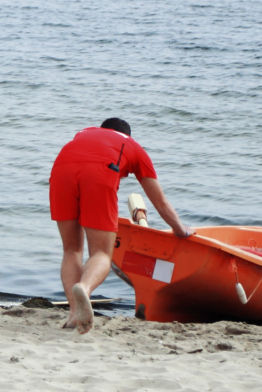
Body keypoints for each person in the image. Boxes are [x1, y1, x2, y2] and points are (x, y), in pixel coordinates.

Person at [49, 118, 194, 334]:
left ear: (103, 129)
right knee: (101, 253)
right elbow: (160, 202)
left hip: (61, 171)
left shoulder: (84, 133)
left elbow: (80, 158)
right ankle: (84, 289)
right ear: (128, 134)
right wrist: (181, 229)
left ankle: (73, 314)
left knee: (72, 249)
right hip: (99, 174)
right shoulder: (133, 146)